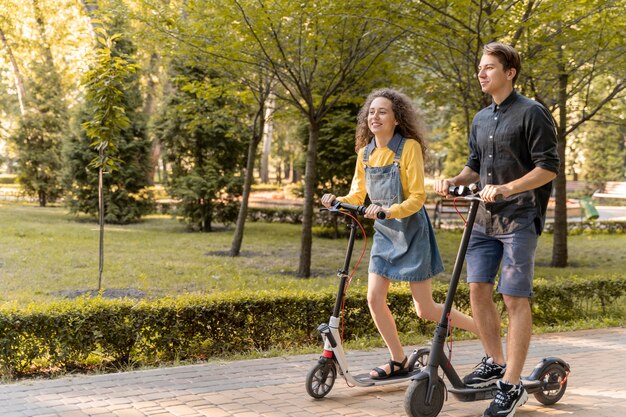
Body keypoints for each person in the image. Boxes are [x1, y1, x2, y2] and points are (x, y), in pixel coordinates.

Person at [435, 42, 559, 417]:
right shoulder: (480, 118)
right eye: (480, 67)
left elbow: (548, 167)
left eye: (489, 67)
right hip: (483, 220)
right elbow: (474, 167)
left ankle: (512, 384)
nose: (482, 73)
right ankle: (494, 360)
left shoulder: (532, 112)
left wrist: (508, 187)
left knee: (514, 298)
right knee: (477, 290)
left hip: (519, 217)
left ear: (510, 72)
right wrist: (454, 179)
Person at [322, 88, 477, 380]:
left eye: (383, 112)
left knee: (426, 309)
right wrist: (336, 200)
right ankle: (398, 359)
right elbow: (358, 194)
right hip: (384, 234)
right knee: (374, 298)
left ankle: (484, 330)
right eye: (371, 112)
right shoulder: (364, 153)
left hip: (412, 232)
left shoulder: (408, 148)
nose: (375, 117)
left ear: (396, 119)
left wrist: (387, 210)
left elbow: (418, 198)